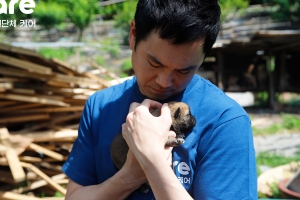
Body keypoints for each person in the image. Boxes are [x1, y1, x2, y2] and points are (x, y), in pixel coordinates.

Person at [62, 0, 257, 199]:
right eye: (154, 63)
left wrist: (152, 161)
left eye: (184, 70)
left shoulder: (225, 121)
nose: (164, 82)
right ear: (133, 35)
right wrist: (129, 177)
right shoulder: (100, 107)